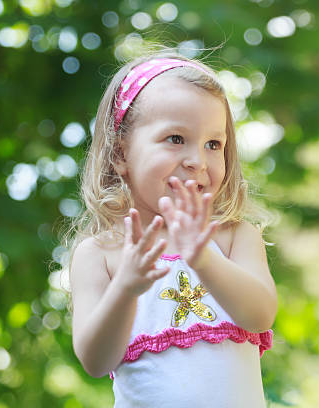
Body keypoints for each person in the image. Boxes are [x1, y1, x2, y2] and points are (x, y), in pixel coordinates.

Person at [64, 51, 277, 407]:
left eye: (214, 144)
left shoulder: (233, 237)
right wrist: (126, 288)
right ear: (121, 153)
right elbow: (94, 361)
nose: (197, 161)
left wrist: (204, 260)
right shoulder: (101, 254)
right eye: (176, 138)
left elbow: (259, 316)